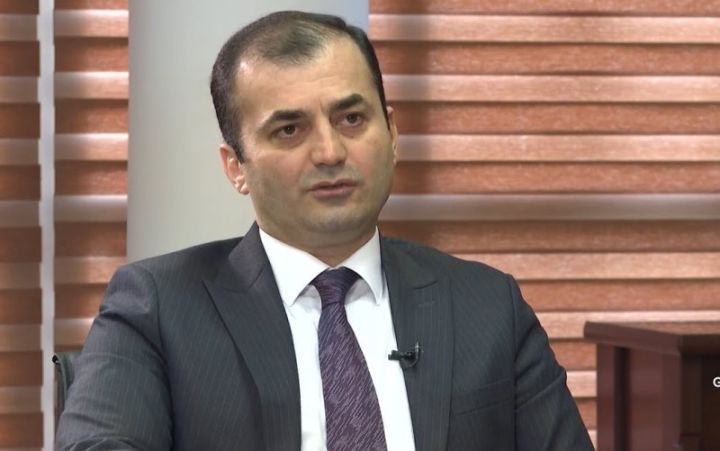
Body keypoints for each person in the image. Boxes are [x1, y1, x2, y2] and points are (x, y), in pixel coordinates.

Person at [56, 10, 594, 451]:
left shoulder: (488, 305)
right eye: (289, 129)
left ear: (392, 133)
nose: (331, 152)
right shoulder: (156, 308)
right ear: (236, 167)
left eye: (352, 119)